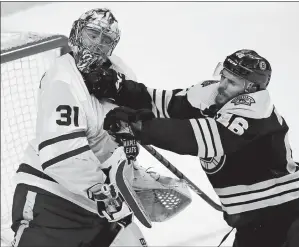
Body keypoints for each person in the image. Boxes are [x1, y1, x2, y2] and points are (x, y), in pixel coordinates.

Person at [103, 49, 299, 247]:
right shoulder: (214, 95)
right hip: (253, 227)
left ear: (251, 89)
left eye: (231, 82)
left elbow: (197, 137)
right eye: (223, 76)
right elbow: (164, 102)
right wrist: (117, 87)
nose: (222, 85)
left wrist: (140, 127)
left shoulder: (256, 112)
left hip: (295, 220)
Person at [11, 8, 191, 247]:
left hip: (100, 201)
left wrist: (127, 169)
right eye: (92, 35)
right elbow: (62, 155)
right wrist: (101, 192)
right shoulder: (62, 81)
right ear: (77, 33)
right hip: (51, 198)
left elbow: (127, 123)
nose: (98, 45)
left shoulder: (118, 71)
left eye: (106, 40)